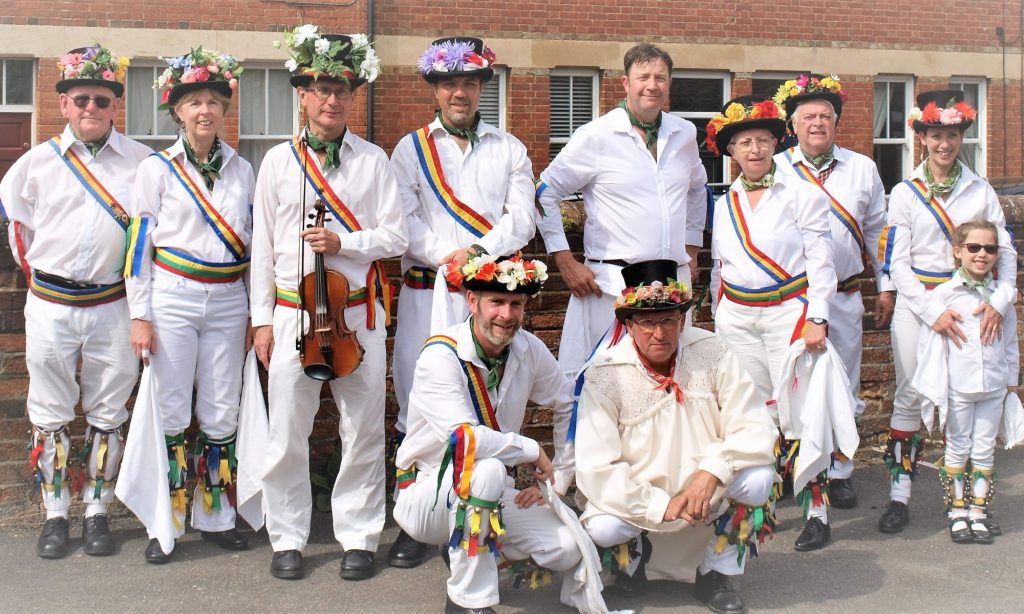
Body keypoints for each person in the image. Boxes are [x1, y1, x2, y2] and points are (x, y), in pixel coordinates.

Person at [250, 25, 406, 581]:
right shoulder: (276, 163)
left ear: (353, 95)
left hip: (359, 314)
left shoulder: (373, 161)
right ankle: (287, 537)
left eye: (341, 89)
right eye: (321, 88)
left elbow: (397, 237)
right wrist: (261, 321)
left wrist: (348, 243)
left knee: (361, 427)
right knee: (287, 430)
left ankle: (359, 535)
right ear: (303, 94)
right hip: (293, 313)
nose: (332, 99)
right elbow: (263, 249)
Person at [388, 37, 536, 568]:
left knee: (490, 398)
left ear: (481, 89)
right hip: (428, 294)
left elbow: (521, 219)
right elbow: (404, 223)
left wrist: (474, 257)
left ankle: (489, 512)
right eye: (449, 83)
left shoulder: (510, 148)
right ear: (434, 88)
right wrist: (448, 259)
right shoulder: (409, 150)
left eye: (469, 84)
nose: (459, 92)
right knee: (417, 402)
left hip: (487, 291)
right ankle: (416, 519)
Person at [0, 44, 149, 559]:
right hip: (51, 305)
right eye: (80, 97)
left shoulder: (142, 163)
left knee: (109, 412)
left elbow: (148, 239)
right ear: (62, 103)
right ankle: (56, 513)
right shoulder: (33, 164)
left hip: (112, 306)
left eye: (102, 100)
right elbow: (19, 233)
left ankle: (98, 511)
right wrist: (51, 282)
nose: (91, 108)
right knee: (50, 412)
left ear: (115, 106)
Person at [574, 259, 778, 614]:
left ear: (682, 320)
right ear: (628, 325)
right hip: (643, 493)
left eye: (668, 320)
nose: (659, 333)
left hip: (705, 487)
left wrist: (713, 472)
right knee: (604, 527)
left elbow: (755, 424)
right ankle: (632, 559)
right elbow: (597, 467)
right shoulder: (605, 373)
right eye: (648, 322)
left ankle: (715, 572)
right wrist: (658, 504)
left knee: (759, 480)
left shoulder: (712, 351)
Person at [393, 254, 581, 614]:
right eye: (496, 302)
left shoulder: (528, 347)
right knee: (487, 469)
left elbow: (568, 403)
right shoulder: (440, 355)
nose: (506, 315)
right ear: (472, 301)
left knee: (566, 546)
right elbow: (464, 439)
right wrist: (530, 450)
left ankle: (466, 548)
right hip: (427, 493)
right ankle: (466, 603)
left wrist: (559, 481)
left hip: (491, 492)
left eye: (515, 304)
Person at [122, 48, 253, 563]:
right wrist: (139, 314)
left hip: (228, 300)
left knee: (223, 409)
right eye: (195, 101)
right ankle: (168, 519)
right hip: (172, 298)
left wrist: (255, 313)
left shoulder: (243, 169)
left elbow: (254, 244)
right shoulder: (156, 170)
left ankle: (217, 516)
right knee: (171, 410)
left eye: (215, 102)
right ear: (177, 111)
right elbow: (138, 248)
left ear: (224, 111)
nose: (205, 111)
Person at [878, 89, 1016, 534]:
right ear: (922, 137)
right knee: (910, 395)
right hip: (921, 305)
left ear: (962, 138)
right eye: (936, 134)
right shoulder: (904, 192)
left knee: (971, 395)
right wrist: (929, 309)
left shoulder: (981, 189)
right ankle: (900, 496)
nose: (944, 144)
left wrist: (998, 300)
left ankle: (970, 501)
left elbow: (1006, 250)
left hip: (972, 303)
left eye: (952, 135)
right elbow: (896, 261)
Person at [705, 96, 839, 551]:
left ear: (775, 144)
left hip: (788, 313)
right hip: (738, 318)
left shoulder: (802, 192)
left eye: (762, 141)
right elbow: (719, 267)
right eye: (744, 143)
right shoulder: (724, 204)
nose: (755, 150)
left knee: (799, 412)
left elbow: (821, 261)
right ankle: (763, 505)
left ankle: (817, 511)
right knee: (755, 411)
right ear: (732, 152)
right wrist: (717, 314)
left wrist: (817, 317)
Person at [535, 42, 707, 377]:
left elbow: (698, 188)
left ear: (669, 83)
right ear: (625, 83)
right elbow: (544, 193)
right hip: (610, 287)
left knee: (674, 379)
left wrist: (692, 245)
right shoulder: (596, 135)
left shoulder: (684, 133)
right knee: (606, 381)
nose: (652, 85)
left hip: (673, 285)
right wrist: (564, 258)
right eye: (643, 76)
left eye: (660, 77)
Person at [772, 74, 892, 511]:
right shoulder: (776, 168)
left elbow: (879, 231)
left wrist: (887, 285)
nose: (817, 123)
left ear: (837, 123)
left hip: (842, 295)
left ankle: (841, 471)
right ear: (793, 125)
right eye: (808, 117)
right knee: (793, 386)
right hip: (791, 299)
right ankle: (797, 469)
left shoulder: (863, 168)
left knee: (846, 386)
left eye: (825, 116)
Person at [912, 220, 1018, 544]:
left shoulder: (1002, 297)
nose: (982, 254)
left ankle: (979, 511)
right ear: (958, 252)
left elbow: (1010, 341)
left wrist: (1012, 382)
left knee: (985, 449)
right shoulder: (943, 295)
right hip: (959, 385)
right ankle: (957, 511)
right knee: (958, 447)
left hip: (994, 386)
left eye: (990, 248)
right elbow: (928, 344)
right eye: (973, 247)